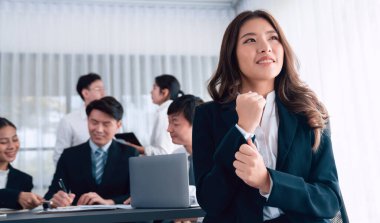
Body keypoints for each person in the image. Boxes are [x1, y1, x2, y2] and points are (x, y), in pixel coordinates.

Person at [192, 10, 348, 223]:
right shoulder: (207, 115)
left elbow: (329, 200)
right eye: (250, 40)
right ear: (232, 55)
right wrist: (242, 129)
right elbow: (210, 201)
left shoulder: (309, 112)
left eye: (273, 37)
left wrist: (268, 181)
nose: (265, 47)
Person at [45, 96, 139, 207]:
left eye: (106, 124)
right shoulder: (69, 155)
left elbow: (136, 194)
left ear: (118, 125)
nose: (99, 129)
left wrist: (109, 202)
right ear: (87, 120)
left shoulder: (130, 154)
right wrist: (54, 201)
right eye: (94, 122)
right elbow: (49, 197)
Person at [53, 73, 106, 164]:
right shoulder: (68, 121)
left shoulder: (110, 119)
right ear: (85, 93)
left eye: (103, 89)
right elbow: (59, 156)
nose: (103, 93)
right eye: (98, 89)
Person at [126, 74, 182, 156]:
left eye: (154, 88)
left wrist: (138, 149)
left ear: (164, 92)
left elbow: (164, 152)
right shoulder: (168, 110)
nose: (151, 91)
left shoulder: (165, 114)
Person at [0, 117, 44, 209]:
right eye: (3, 142)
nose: (11, 146)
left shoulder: (24, 180)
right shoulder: (19, 194)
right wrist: (16, 196)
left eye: (15, 140)